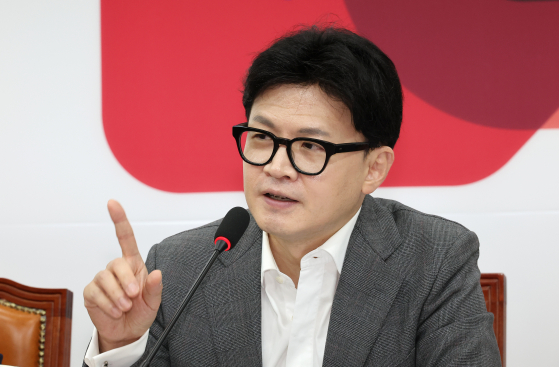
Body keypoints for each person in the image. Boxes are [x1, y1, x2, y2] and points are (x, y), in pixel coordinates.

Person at [83, 26, 502, 367]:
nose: (277, 167)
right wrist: (122, 346)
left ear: (373, 168)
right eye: (263, 137)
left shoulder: (433, 260)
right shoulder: (178, 269)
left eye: (310, 147)